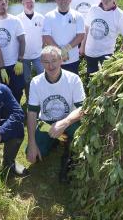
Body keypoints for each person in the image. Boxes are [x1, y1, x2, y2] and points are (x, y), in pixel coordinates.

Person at [26, 46, 85, 183]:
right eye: (46, 62)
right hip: (46, 123)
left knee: (82, 139)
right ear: (41, 63)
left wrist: (63, 123)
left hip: (69, 122)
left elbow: (82, 108)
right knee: (32, 157)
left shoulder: (73, 79)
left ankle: (69, 151)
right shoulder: (36, 82)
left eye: (54, 60)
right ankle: (55, 140)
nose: (50, 65)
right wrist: (32, 142)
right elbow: (32, 112)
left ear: (61, 60)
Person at [80, 0, 123, 76]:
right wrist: (82, 46)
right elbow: (87, 28)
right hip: (89, 54)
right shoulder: (93, 9)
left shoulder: (119, 14)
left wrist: (119, 56)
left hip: (106, 56)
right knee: (91, 82)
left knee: (103, 84)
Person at [0, 0, 26, 103]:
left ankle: (16, 109)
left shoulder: (15, 20)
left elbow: (22, 40)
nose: (1, 6)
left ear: (7, 4)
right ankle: (3, 112)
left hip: (15, 64)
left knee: (18, 90)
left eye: (3, 4)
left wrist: (20, 60)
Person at [42, 0, 85, 74]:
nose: (63, 1)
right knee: (54, 84)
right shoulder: (48, 16)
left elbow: (80, 35)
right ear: (56, 0)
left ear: (70, 0)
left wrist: (65, 49)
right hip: (54, 59)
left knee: (71, 84)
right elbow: (46, 36)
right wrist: (59, 51)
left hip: (72, 59)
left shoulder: (78, 16)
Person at [16, 0, 44, 97]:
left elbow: (44, 36)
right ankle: (29, 98)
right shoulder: (17, 19)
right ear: (22, 3)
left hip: (38, 54)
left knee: (42, 76)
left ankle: (41, 96)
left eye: (31, 1)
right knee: (26, 79)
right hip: (24, 56)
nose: (29, 4)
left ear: (34, 3)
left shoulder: (41, 17)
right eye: (27, 2)